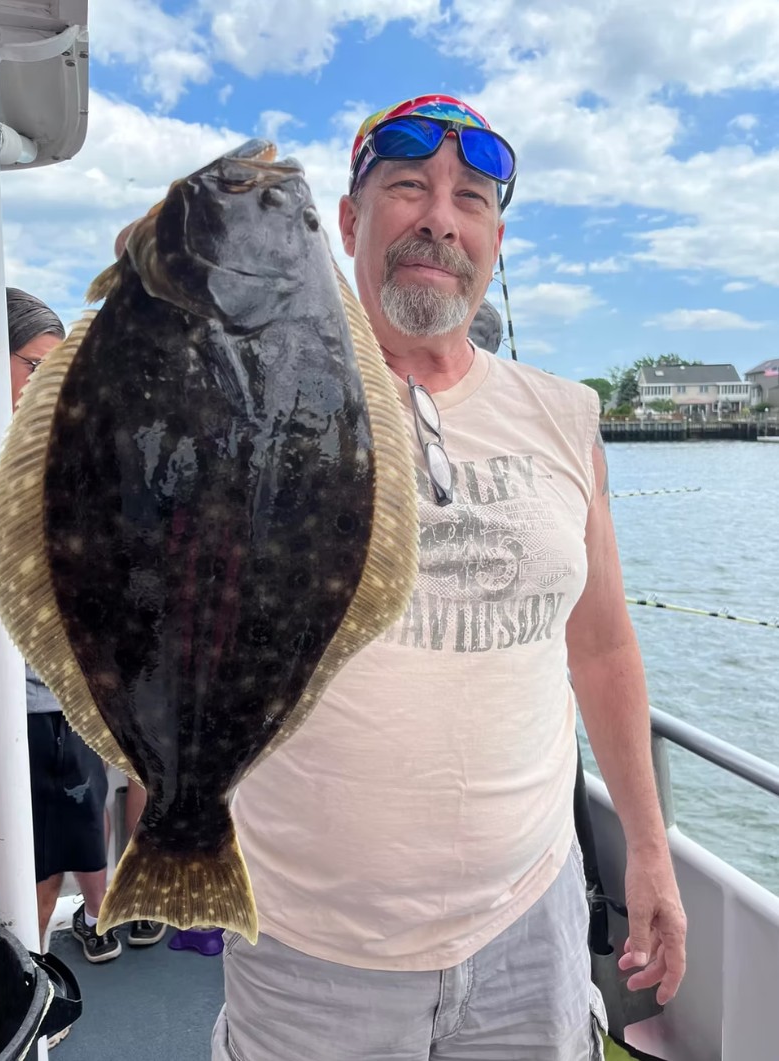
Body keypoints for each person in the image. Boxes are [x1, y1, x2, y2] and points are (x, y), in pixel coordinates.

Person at [120, 93, 686, 1060]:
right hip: (308, 944)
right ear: (347, 222)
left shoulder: (564, 415)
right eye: (409, 187)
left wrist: (649, 846)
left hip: (530, 930)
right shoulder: (248, 398)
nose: (440, 217)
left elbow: (600, 646)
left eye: (470, 199)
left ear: (496, 240)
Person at [0, 289, 163, 970]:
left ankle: (4, 987)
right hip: (21, 708)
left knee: (13, 868)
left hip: (37, 703)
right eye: (34, 366)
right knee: (18, 875)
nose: (47, 384)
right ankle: (10, 993)